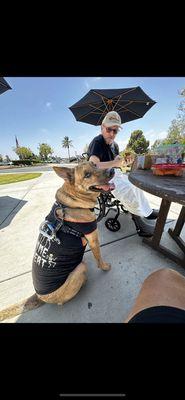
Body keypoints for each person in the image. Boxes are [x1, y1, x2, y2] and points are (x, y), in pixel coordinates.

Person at [87, 111, 159, 237]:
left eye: (115, 131)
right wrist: (115, 163)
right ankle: (139, 223)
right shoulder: (97, 142)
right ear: (102, 128)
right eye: (109, 129)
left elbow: (116, 162)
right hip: (102, 178)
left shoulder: (114, 145)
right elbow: (93, 166)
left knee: (136, 184)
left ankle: (147, 211)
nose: (112, 134)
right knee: (128, 190)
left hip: (114, 173)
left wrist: (124, 162)